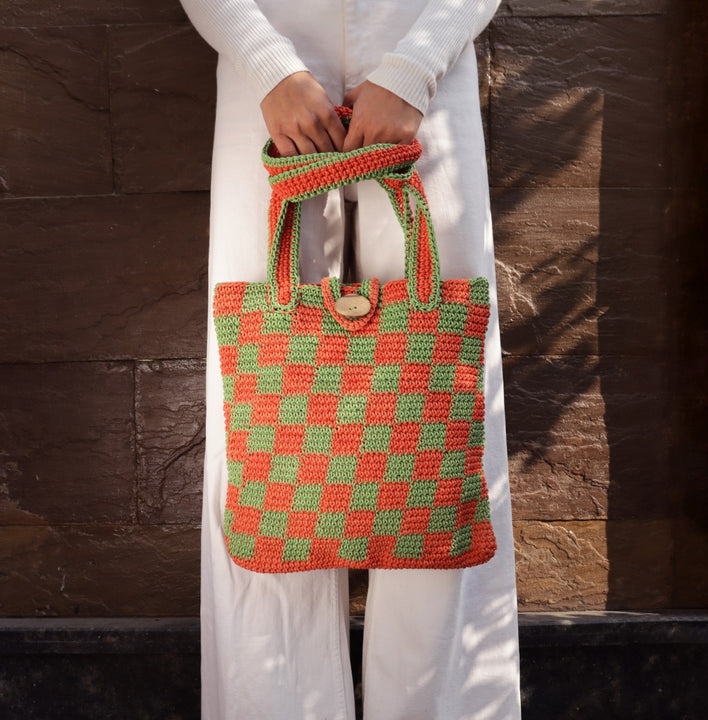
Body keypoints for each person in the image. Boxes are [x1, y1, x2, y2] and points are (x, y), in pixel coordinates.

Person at [178, 1, 521, 718]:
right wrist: (265, 64)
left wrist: (418, 63)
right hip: (266, 71)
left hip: (425, 56)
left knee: (440, 430)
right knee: (267, 438)